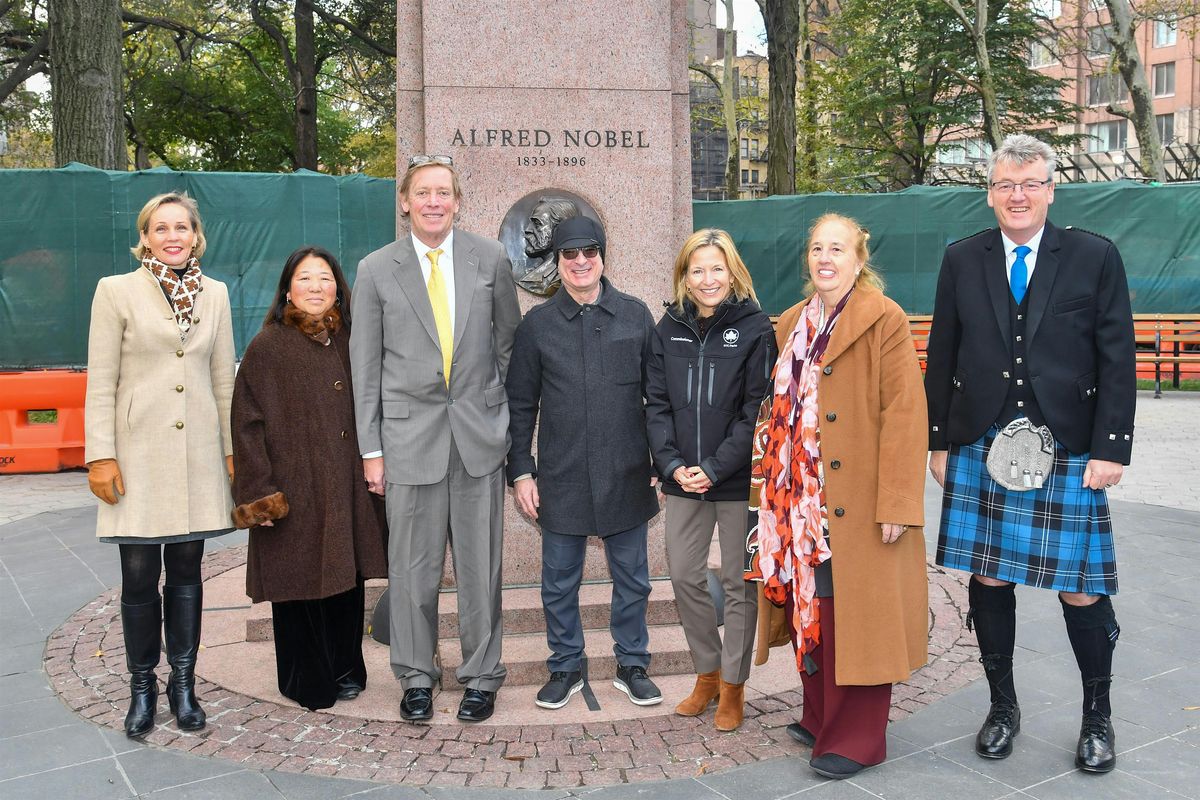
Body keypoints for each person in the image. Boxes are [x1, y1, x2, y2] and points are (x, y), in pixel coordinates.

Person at [926, 134, 1135, 774]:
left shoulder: (1093, 256)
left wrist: (1111, 448)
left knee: (1080, 587)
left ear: (1050, 189)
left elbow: (1117, 356)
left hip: (1070, 445)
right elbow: (943, 354)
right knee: (988, 577)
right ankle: (1002, 708)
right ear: (989, 193)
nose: (1018, 196)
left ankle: (1097, 717)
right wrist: (938, 439)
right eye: (1005, 185)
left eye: (1031, 183)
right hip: (983, 440)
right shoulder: (964, 258)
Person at [748, 213, 928, 779]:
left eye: (838, 248)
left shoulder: (884, 318)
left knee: (858, 613)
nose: (826, 258)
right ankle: (819, 713)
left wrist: (898, 501)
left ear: (859, 258)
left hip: (857, 497)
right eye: (817, 248)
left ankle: (855, 738)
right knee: (814, 603)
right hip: (797, 501)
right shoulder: (793, 321)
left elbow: (905, 414)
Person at [349, 155, 521, 723]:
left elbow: (507, 350)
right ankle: (416, 675)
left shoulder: (490, 258)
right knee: (413, 570)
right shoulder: (376, 269)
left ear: (457, 200)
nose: (433, 201)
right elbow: (365, 366)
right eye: (422, 192)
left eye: (443, 192)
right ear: (405, 201)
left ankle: (481, 676)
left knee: (481, 570)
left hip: (477, 442)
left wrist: (504, 430)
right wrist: (371, 451)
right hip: (406, 444)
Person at [84, 192, 236, 738]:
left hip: (196, 457)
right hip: (137, 456)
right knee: (139, 574)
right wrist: (99, 454)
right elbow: (100, 380)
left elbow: (223, 381)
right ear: (144, 236)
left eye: (183, 227)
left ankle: (184, 684)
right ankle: (143, 686)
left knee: (188, 573)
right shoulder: (115, 292)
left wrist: (231, 451)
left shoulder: (215, 294)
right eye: (160, 227)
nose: (173, 236)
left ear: (197, 236)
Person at [506, 216, 663, 710]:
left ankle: (632, 663)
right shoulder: (537, 326)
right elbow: (520, 405)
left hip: (627, 472)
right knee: (558, 582)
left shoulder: (636, 316)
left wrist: (660, 463)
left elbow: (657, 398)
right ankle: (565, 666)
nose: (580, 262)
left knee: (634, 579)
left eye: (588, 252)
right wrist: (521, 471)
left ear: (602, 256)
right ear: (558, 261)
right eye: (570, 254)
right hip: (562, 475)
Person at [231, 246, 388, 711]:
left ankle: (346, 668)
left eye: (325, 278)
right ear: (287, 288)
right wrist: (259, 494)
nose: (316, 287)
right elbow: (246, 423)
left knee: (346, 577)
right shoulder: (268, 345)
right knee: (298, 584)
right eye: (305, 278)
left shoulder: (352, 338)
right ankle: (305, 678)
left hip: (345, 484)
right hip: (293, 487)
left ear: (339, 288)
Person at [644, 229, 776, 731]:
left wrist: (716, 466)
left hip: (736, 478)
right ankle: (708, 672)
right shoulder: (668, 327)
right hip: (681, 477)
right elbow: (655, 405)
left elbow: (756, 410)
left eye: (716, 269)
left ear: (732, 271)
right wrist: (672, 463)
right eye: (697, 270)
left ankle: (734, 687)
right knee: (683, 575)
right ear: (684, 275)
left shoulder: (756, 327)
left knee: (739, 584)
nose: (707, 279)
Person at [517, 196, 578, 295]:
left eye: (537, 224)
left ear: (560, 230)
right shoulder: (535, 273)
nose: (528, 229)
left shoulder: (566, 276)